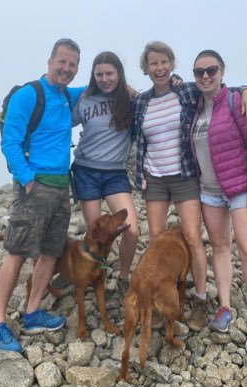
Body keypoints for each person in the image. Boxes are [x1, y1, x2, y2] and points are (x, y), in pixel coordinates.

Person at [131, 41, 247, 331]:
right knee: (156, 236)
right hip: (155, 178)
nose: (159, 68)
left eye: (164, 62)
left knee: (191, 237)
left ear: (172, 64)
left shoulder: (187, 91)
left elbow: (221, 89)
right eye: (153, 63)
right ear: (146, 68)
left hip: (185, 175)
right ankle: (161, 290)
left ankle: (200, 299)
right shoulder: (140, 102)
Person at [0, 38, 86, 352]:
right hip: (35, 186)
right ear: (50, 61)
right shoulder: (30, 94)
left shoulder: (67, 95)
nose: (67, 69)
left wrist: (129, 89)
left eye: (72, 65)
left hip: (60, 187)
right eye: (62, 62)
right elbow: (10, 142)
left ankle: (32, 313)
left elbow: (99, 85)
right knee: (16, 251)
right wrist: (27, 179)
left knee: (50, 252)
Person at [189, 49, 247, 357]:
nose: (205, 76)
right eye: (199, 72)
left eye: (211, 70)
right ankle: (225, 307)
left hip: (241, 189)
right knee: (220, 246)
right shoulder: (195, 108)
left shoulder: (238, 100)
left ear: (222, 72)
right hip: (209, 191)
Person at [71, 51, 139, 296]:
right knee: (96, 234)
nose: (104, 78)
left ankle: (122, 276)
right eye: (99, 74)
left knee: (131, 229)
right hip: (86, 171)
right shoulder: (85, 99)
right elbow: (59, 123)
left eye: (109, 73)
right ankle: (88, 273)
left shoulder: (131, 100)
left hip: (115, 174)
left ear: (119, 74)